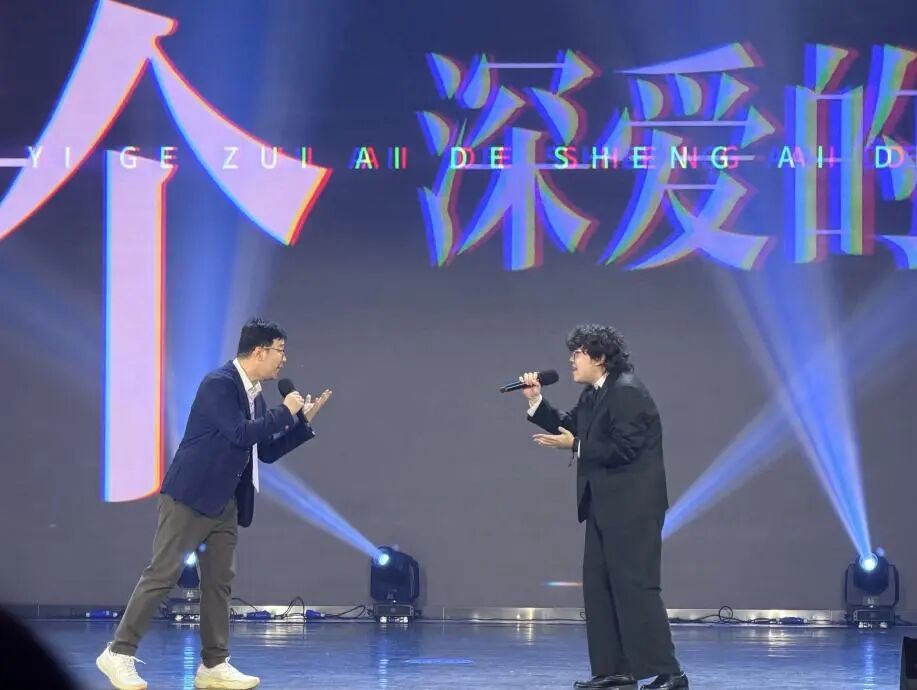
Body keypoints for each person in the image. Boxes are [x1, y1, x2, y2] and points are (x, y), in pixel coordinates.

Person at [97, 318, 331, 690]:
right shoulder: (219, 384)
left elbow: (264, 451)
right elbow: (239, 433)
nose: (284, 359)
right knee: (162, 575)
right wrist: (285, 411)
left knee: (219, 583)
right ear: (259, 352)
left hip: (225, 502)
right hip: (191, 496)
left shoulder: (255, 395)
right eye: (280, 350)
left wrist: (301, 424)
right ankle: (118, 652)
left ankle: (214, 664)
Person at [521, 324, 688, 690]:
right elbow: (572, 426)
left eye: (577, 353)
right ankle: (615, 671)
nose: (571, 360)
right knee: (599, 588)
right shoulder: (596, 393)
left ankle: (670, 674)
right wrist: (536, 401)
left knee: (636, 587)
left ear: (598, 357)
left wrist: (575, 447)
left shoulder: (627, 392)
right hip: (604, 506)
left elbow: (624, 448)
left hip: (632, 508)